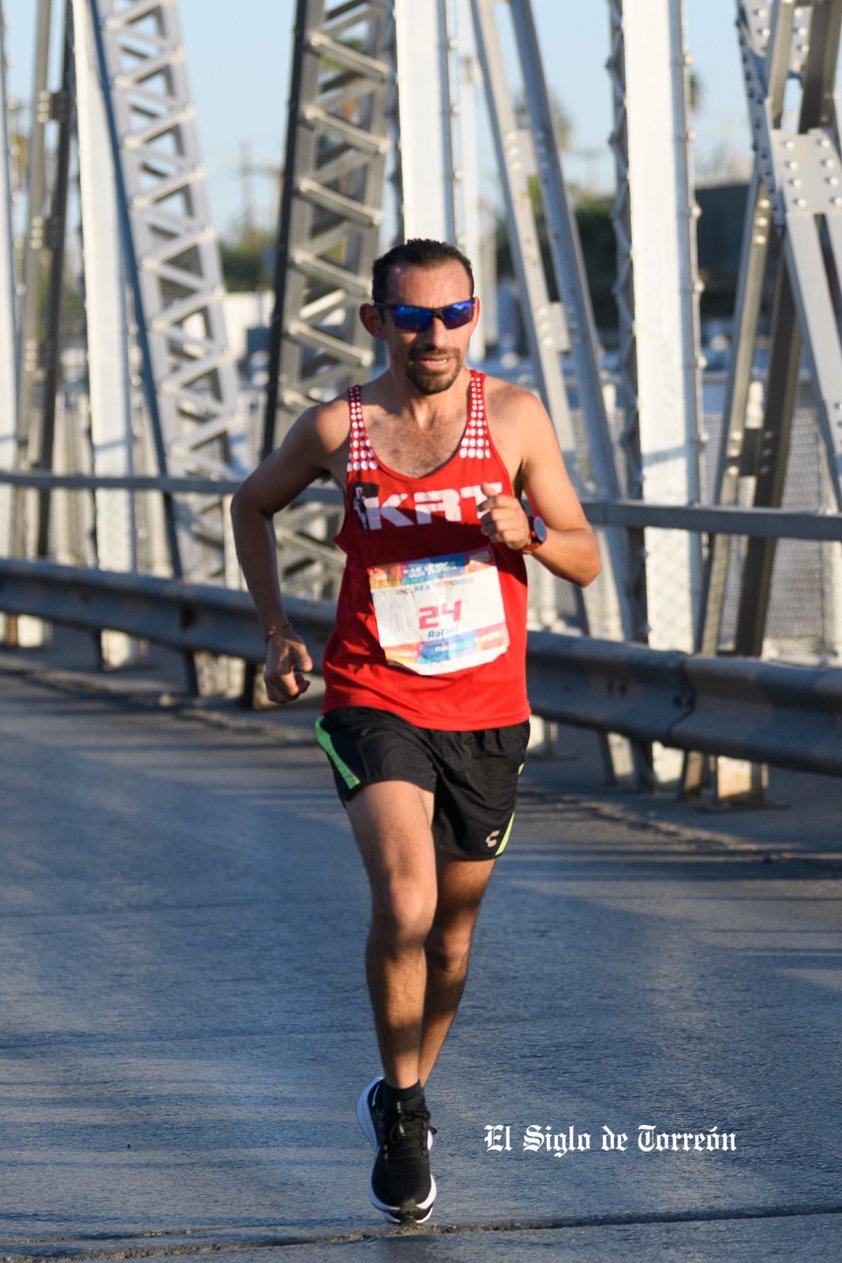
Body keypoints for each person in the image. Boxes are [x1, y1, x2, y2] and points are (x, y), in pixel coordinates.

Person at [230, 238, 600, 1225]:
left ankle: (405, 1092)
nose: (432, 335)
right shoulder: (338, 427)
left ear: (470, 317)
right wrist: (277, 632)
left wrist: (527, 534)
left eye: (452, 315)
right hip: (371, 693)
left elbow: (585, 555)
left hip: (485, 712)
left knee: (451, 933)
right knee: (403, 901)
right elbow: (251, 504)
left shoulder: (511, 417)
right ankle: (402, 1112)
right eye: (411, 317)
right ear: (375, 322)